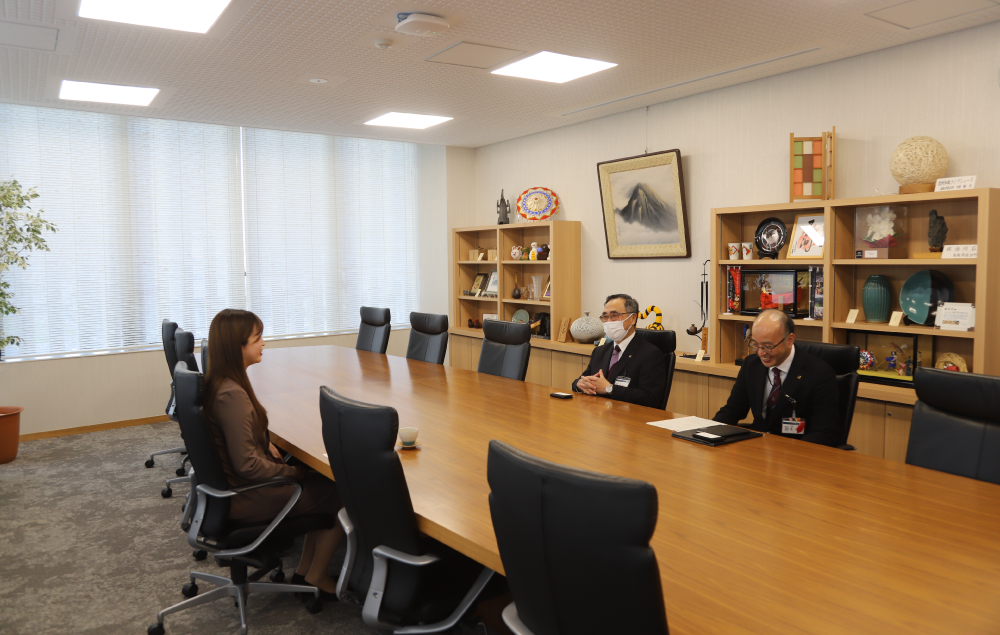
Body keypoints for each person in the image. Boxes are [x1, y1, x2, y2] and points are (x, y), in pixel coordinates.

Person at [204, 308, 343, 597]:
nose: (263, 343)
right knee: (341, 493)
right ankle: (316, 574)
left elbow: (240, 441)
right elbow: (249, 465)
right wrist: (294, 473)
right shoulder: (232, 395)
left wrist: (263, 438)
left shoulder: (222, 384)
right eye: (257, 338)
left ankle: (306, 573)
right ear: (237, 346)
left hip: (232, 490)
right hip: (247, 495)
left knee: (321, 482)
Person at [713, 309, 840, 446]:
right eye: (755, 344)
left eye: (768, 346)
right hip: (758, 448)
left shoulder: (819, 373)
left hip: (797, 452)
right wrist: (708, 433)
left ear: (789, 340)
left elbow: (824, 432)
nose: (761, 353)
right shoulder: (751, 365)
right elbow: (732, 410)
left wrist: (789, 457)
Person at [572, 294, 666, 408]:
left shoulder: (650, 354)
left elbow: (651, 399)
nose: (608, 321)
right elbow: (583, 379)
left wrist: (609, 389)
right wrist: (578, 384)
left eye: (614, 316)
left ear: (632, 318)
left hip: (630, 420)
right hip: (599, 416)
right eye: (605, 317)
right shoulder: (600, 351)